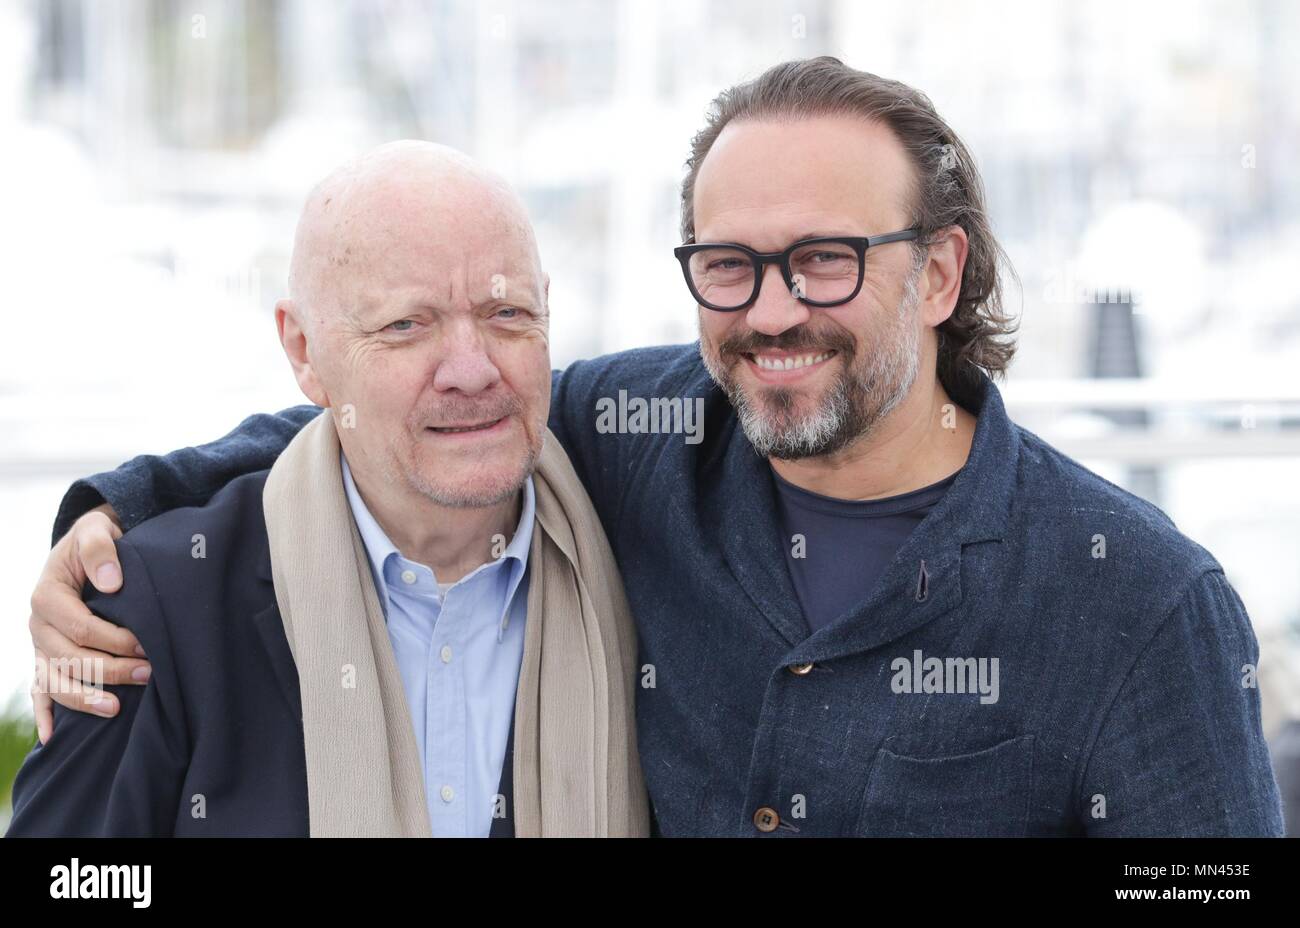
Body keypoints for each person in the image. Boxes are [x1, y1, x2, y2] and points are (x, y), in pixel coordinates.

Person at [26, 57, 1284, 836]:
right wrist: (120, 515)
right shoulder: (642, 442)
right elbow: (403, 413)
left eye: (825, 259)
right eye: (729, 265)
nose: (772, 309)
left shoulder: (1139, 602)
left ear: (942, 271)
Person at [9, 141, 648, 837]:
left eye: (508, 315)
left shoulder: (644, 540)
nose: (472, 369)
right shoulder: (156, 606)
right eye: (406, 326)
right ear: (304, 353)